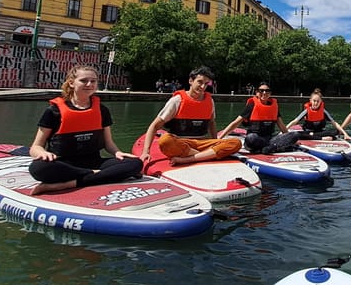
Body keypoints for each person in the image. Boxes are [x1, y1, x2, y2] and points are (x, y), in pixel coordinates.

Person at [28, 65, 142, 195]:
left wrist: (117, 152)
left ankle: (69, 183)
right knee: (38, 168)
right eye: (84, 80)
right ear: (71, 83)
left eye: (93, 81)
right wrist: (42, 153)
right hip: (64, 164)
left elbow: (108, 143)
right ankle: (97, 175)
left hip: (94, 162)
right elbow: (35, 147)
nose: (89, 84)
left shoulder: (102, 110)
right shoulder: (54, 111)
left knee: (135, 163)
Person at [139, 66, 242, 174]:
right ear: (191, 81)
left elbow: (211, 123)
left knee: (236, 143)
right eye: (200, 82)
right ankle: (206, 155)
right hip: (181, 143)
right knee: (165, 141)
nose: (203, 87)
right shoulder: (177, 100)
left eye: (206, 84)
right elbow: (155, 126)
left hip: (201, 143)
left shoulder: (210, 101)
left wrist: (216, 142)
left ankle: (189, 159)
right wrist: (146, 151)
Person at [217, 82, 290, 152]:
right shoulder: (252, 105)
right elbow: (235, 123)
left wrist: (288, 137)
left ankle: (268, 147)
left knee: (294, 135)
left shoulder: (274, 106)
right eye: (261, 91)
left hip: (269, 138)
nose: (264, 93)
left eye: (267, 91)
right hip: (255, 138)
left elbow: (281, 125)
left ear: (270, 93)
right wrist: (219, 138)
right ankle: (272, 147)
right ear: (257, 93)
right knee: (250, 138)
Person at [285, 88, 351, 140]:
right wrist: (284, 130)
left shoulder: (324, 111)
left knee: (336, 132)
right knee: (297, 134)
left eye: (318, 101)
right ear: (310, 100)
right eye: (314, 101)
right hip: (308, 132)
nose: (316, 103)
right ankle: (322, 138)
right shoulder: (306, 111)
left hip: (319, 132)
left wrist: (345, 134)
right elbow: (294, 121)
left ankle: (316, 136)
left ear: (321, 102)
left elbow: (334, 123)